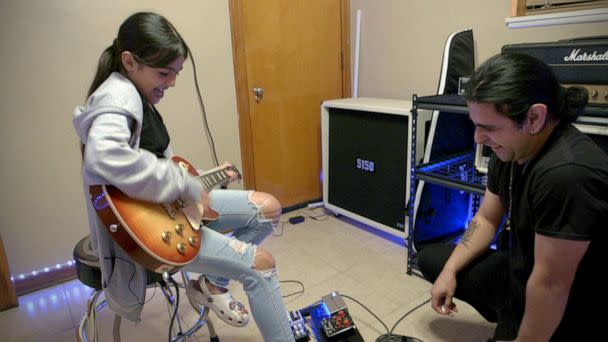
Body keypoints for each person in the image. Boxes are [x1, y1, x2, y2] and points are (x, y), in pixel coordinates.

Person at [72, 12, 295, 342]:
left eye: (175, 73)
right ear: (129, 61)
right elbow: (105, 156)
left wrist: (200, 179)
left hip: (169, 206)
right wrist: (186, 185)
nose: (171, 83)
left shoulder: (137, 95)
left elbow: (157, 163)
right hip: (152, 227)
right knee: (261, 265)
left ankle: (211, 285)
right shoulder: (116, 97)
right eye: (164, 73)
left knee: (268, 208)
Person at [417, 52, 608, 341]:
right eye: (476, 125)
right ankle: (510, 314)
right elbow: (487, 218)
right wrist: (450, 271)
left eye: (489, 127)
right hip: (525, 271)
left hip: (569, 299)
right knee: (433, 260)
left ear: (534, 117)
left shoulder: (567, 174)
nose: (478, 139)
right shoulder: (508, 151)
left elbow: (552, 285)